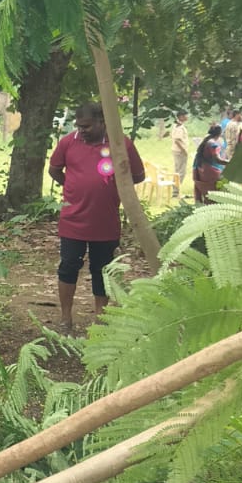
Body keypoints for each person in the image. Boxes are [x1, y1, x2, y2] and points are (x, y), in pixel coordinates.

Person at [47, 102, 145, 332]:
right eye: (79, 126)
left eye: (87, 126)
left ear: (103, 122)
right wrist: (71, 187)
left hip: (106, 222)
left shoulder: (121, 144)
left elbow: (138, 176)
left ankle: (100, 319)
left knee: (102, 270)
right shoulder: (68, 142)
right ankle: (65, 318)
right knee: (68, 266)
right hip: (73, 221)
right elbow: (54, 170)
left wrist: (112, 188)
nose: (82, 130)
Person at [193, 124, 224, 203]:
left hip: (200, 170)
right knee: (214, 195)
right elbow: (217, 160)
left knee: (206, 194)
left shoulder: (206, 141)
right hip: (209, 172)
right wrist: (231, 163)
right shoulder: (213, 144)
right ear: (220, 133)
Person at [170, 112, 189, 192]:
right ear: (180, 116)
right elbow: (177, 140)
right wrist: (184, 151)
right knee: (181, 171)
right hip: (180, 152)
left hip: (176, 151)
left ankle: (175, 188)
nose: (187, 117)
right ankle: (176, 190)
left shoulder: (176, 125)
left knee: (177, 170)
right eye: (185, 115)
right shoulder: (179, 127)